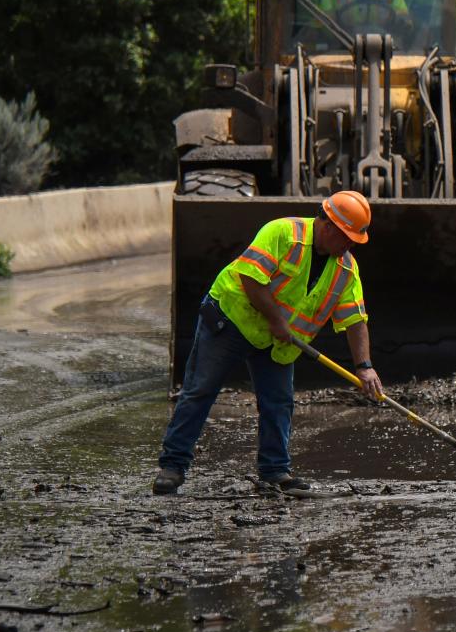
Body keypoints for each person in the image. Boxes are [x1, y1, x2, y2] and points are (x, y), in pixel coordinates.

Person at [152, 191, 384, 495]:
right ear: (328, 226)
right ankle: (173, 466)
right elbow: (250, 277)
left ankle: (274, 472)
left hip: (277, 343)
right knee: (200, 390)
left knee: (279, 402)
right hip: (232, 320)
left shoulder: (345, 269)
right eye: (347, 237)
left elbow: (355, 319)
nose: (351, 245)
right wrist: (277, 320)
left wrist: (364, 367)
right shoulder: (283, 232)